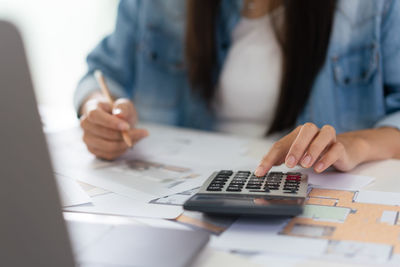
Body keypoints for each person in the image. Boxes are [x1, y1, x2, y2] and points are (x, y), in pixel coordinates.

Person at [75, 0, 400, 176]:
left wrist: (359, 143)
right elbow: (102, 73)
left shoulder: (374, 6)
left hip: (313, 188)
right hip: (178, 191)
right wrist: (96, 109)